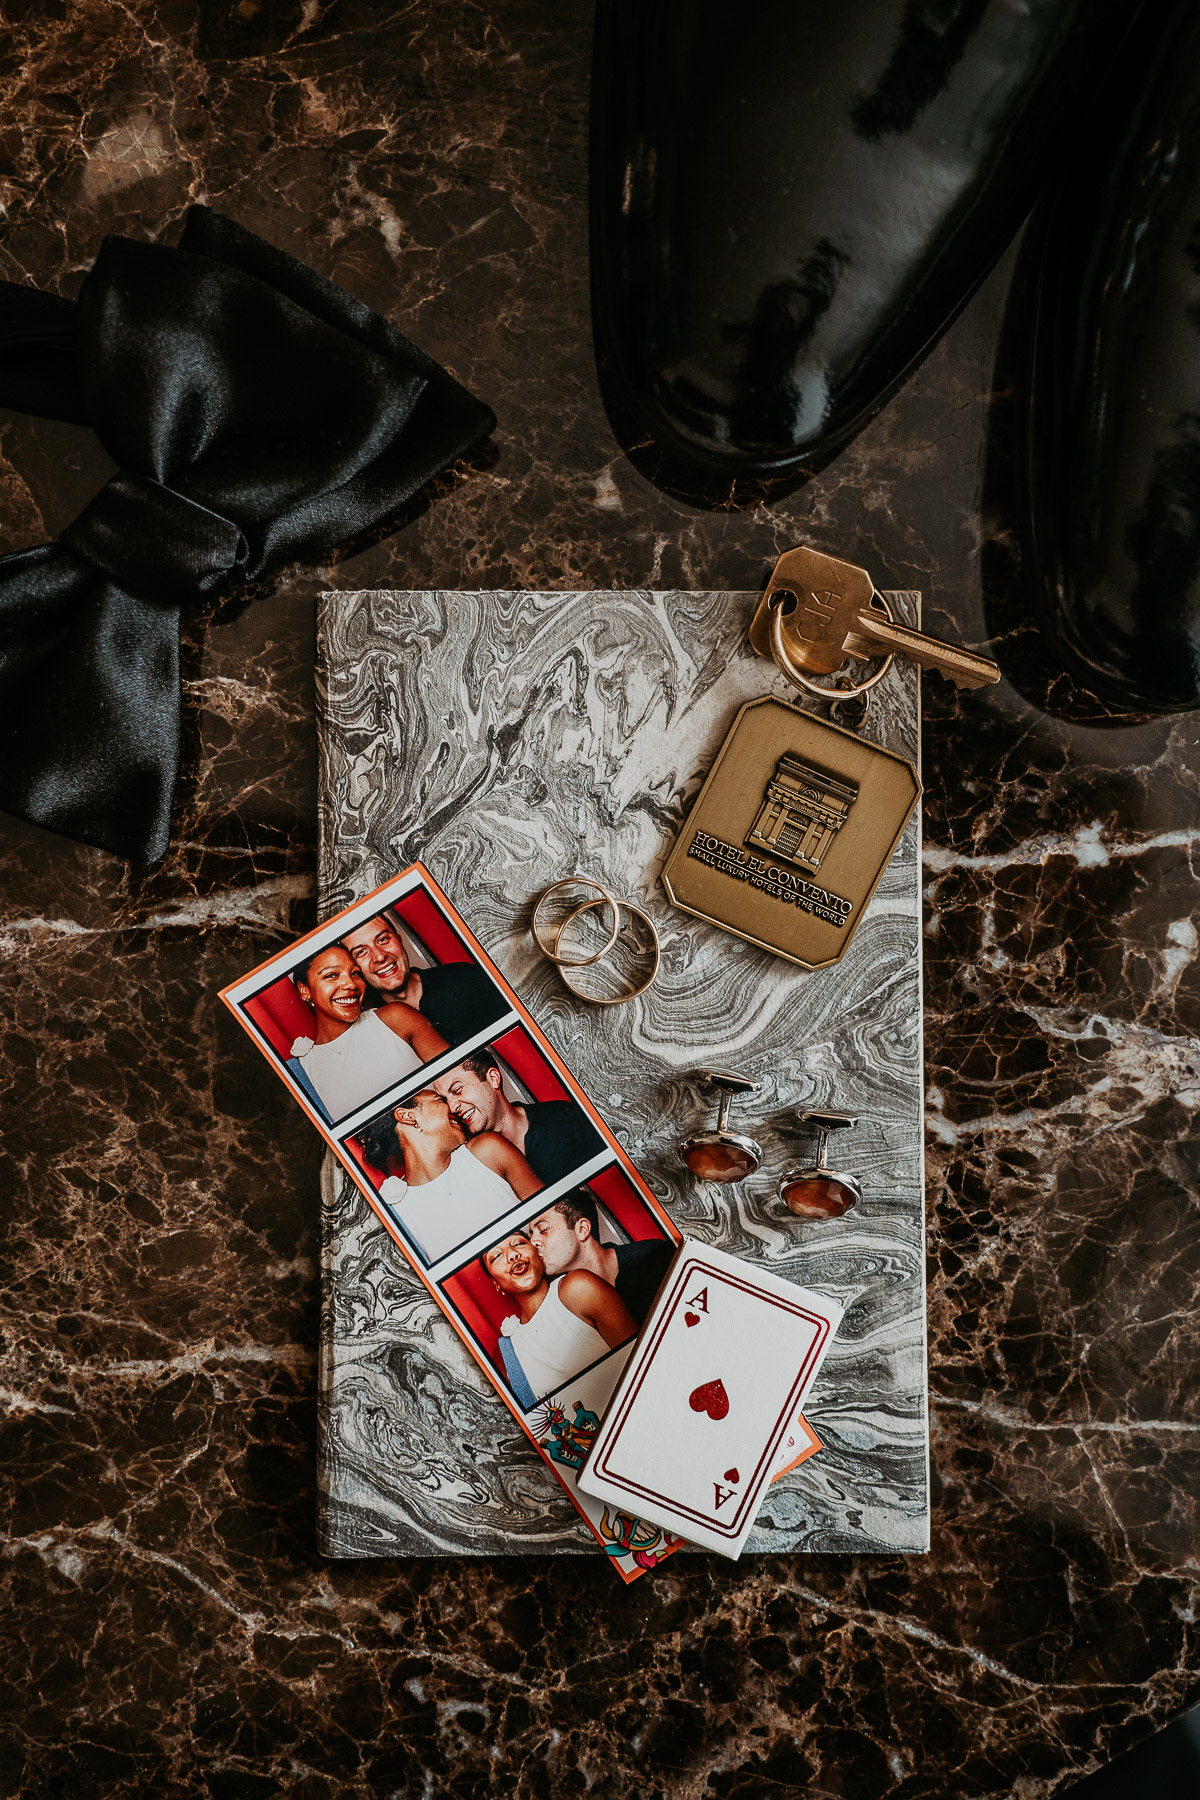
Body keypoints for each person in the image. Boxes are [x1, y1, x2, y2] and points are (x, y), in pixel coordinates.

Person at [361, 1088, 540, 1264]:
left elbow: (552, 1215)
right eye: (440, 1100)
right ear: (408, 1117)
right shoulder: (398, 1212)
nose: (454, 1109)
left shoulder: (488, 1152)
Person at [292, 945, 448, 1121]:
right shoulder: (304, 1069)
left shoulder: (395, 1019)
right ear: (305, 990)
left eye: (355, 973)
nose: (351, 984)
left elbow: (460, 1075)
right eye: (331, 976)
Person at [481, 1231, 637, 1406]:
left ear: (537, 1252)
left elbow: (641, 1361)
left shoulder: (578, 1288)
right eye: (496, 1256)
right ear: (496, 1283)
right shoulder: (505, 1354)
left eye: (518, 1243)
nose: (512, 1255)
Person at [432, 1049, 604, 1187]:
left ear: (493, 1079)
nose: (452, 1107)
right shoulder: (471, 1165)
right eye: (445, 1100)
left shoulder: (565, 1117)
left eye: (457, 1090)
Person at [340, 912, 508, 1047]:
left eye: (383, 940)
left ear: (399, 940)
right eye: (361, 952)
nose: (379, 956)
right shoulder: (373, 1032)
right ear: (354, 969)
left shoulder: (466, 977)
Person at [526, 1190, 675, 1325]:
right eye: (531, 1235)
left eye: (543, 1230)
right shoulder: (566, 1308)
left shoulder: (655, 1256)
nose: (533, 1243)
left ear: (582, 1230)